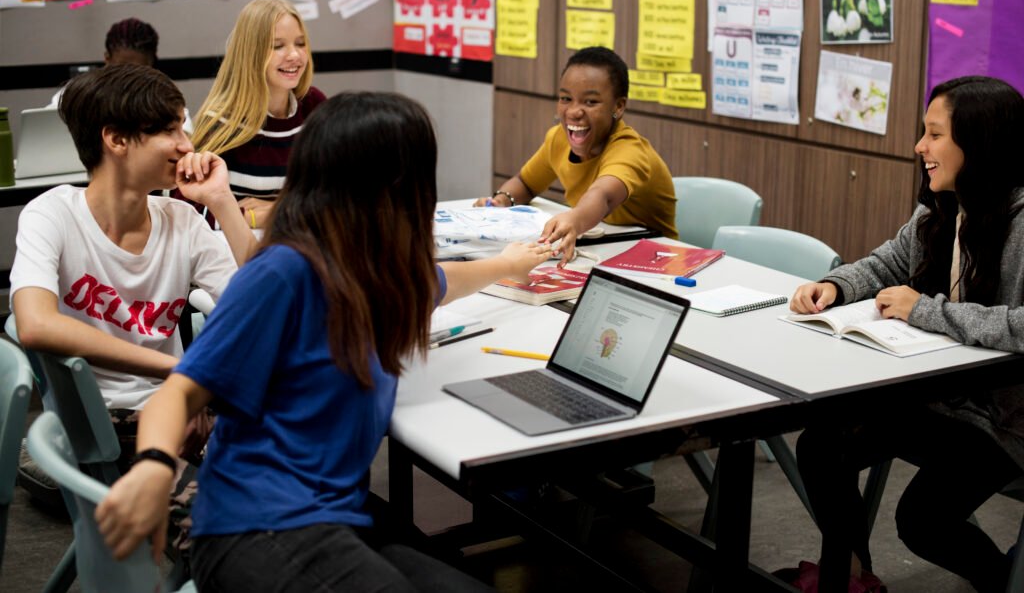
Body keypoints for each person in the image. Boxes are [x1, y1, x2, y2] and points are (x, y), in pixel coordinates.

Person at [95, 92, 552, 591]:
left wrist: (513, 263)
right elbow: (178, 393)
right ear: (396, 186)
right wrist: (154, 467)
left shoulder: (384, 275)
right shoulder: (285, 271)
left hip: (335, 514)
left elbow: (446, 280)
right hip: (253, 526)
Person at [789, 76, 1024, 593]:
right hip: (941, 399)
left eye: (935, 135)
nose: (920, 147)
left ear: (979, 143)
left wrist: (928, 312)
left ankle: (1007, 580)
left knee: (922, 521)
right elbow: (886, 263)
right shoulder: (942, 205)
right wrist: (834, 284)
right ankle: (851, 577)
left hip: (1006, 420)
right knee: (822, 444)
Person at [11, 63, 254, 465]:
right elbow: (35, 325)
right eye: (168, 131)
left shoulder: (182, 221)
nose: (187, 145)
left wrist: (222, 201)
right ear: (116, 140)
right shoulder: (52, 214)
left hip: (173, 408)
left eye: (183, 128)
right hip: (95, 423)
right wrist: (180, 373)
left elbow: (263, 304)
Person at [473, 46, 677, 264]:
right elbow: (526, 183)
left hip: (655, 259)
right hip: (605, 251)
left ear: (618, 106)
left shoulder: (630, 149)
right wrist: (502, 202)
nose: (573, 112)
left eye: (590, 102)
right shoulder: (558, 138)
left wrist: (573, 219)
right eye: (565, 98)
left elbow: (603, 195)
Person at [188, 0, 326, 230]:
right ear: (251, 53)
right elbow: (189, 212)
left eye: (300, 43)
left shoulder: (314, 105)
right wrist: (250, 218)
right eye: (278, 46)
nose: (294, 55)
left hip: (302, 246)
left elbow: (340, 193)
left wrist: (277, 211)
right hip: (236, 256)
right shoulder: (221, 121)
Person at [45, 17, 193, 133]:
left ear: (151, 64)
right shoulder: (79, 93)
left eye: (136, 69)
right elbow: (44, 131)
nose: (127, 76)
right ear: (107, 59)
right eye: (120, 67)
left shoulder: (164, 98)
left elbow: (185, 134)